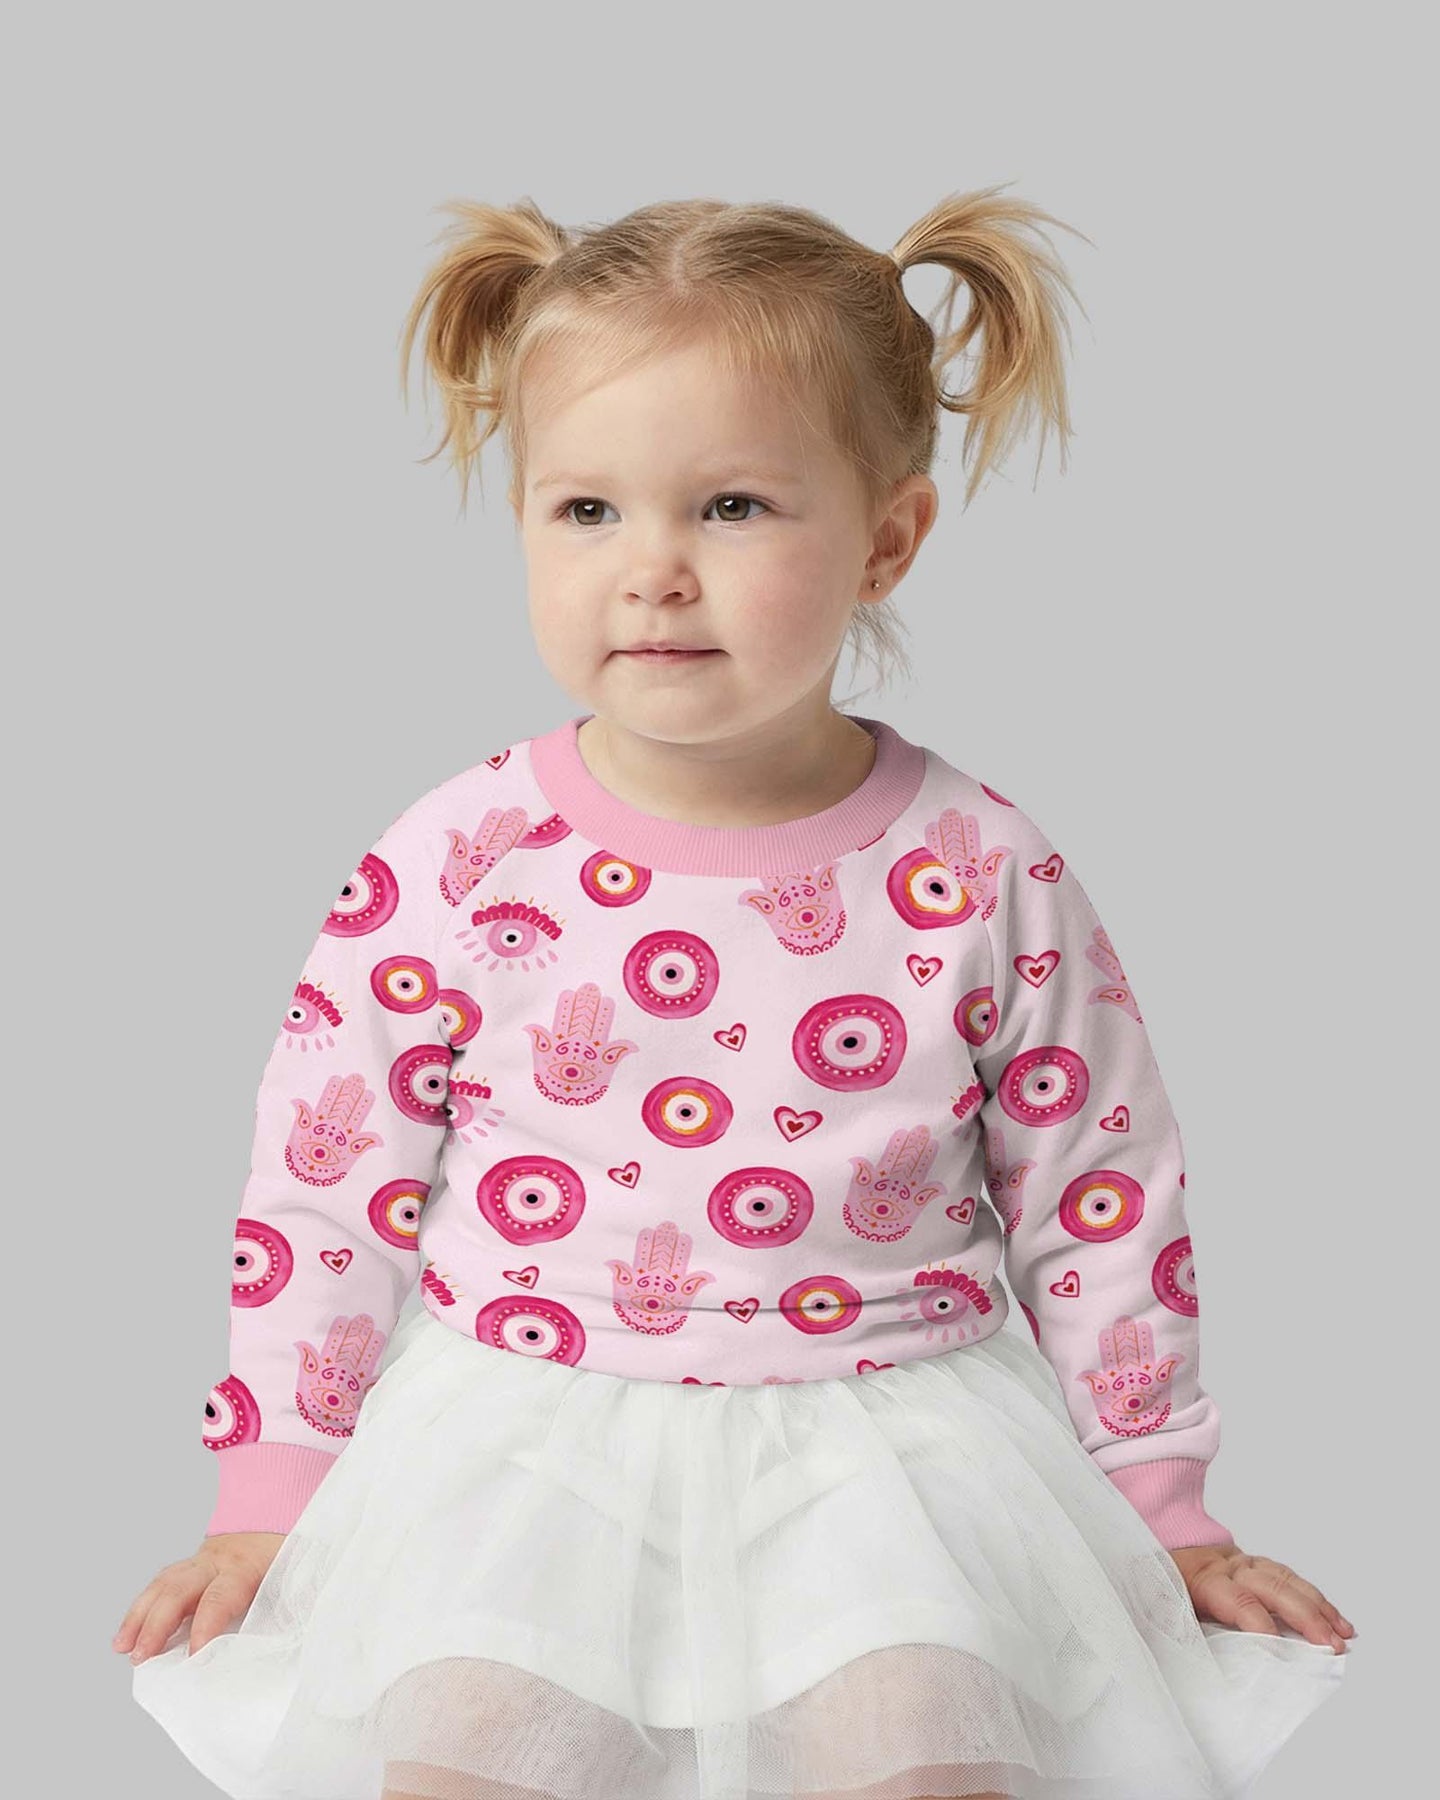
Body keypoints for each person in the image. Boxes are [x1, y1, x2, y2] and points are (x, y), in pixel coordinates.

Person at [114, 186, 1355, 1800]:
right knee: (461, 1751)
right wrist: (270, 1497)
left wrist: (1163, 1511)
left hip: (890, 1453)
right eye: (586, 510)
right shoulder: (459, 858)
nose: (654, 573)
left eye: (734, 508)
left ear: (888, 538)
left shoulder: (981, 868)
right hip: (525, 1446)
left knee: (922, 1747)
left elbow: (1100, 1191)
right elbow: (327, 1186)